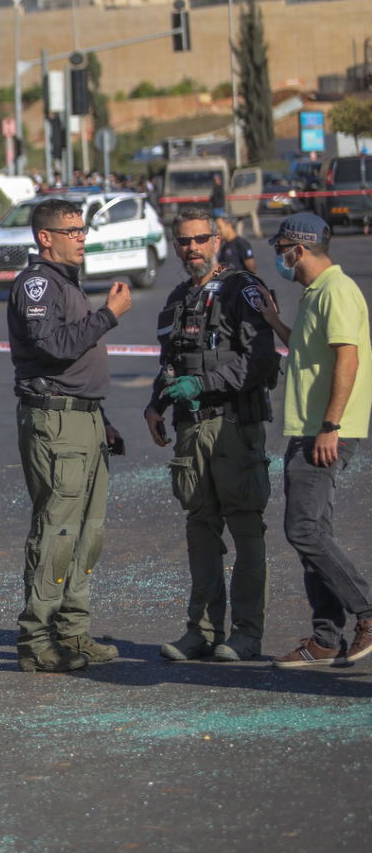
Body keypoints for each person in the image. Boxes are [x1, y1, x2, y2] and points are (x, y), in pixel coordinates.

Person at [143, 209, 278, 663]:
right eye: (184, 241)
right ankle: (200, 631)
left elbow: (261, 361)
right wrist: (155, 404)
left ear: (217, 241)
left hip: (234, 428)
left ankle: (246, 634)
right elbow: (170, 362)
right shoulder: (178, 299)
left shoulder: (244, 290)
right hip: (189, 432)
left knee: (245, 528)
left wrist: (204, 384)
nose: (192, 248)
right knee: (200, 529)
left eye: (201, 239)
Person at [7, 198, 131, 673]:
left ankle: (73, 632)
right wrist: (109, 314)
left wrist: (101, 420)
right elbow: (52, 346)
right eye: (72, 230)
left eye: (83, 230)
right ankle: (36, 639)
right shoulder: (38, 283)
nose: (81, 237)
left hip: (84, 420)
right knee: (56, 532)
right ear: (45, 237)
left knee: (87, 534)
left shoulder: (64, 283)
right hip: (55, 423)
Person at [254, 213, 372, 669]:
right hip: (309, 429)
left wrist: (330, 425)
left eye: (280, 248)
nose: (278, 256)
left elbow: (348, 357)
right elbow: (308, 352)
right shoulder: (315, 295)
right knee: (312, 535)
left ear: (298, 249)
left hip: (324, 432)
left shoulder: (337, 292)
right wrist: (274, 322)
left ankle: (365, 612)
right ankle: (325, 638)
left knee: (303, 530)